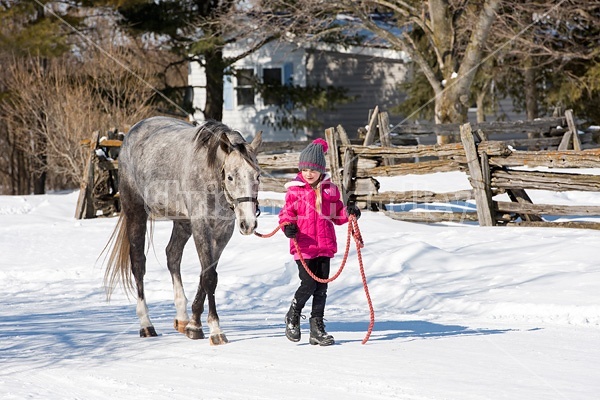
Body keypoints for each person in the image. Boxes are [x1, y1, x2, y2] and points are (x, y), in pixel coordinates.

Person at [278, 138, 361, 346]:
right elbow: (285, 214)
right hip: (303, 246)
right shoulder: (295, 191)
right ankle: (293, 315)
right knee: (308, 283)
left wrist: (350, 212)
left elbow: (337, 215)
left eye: (312, 169)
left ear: (320, 170)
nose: (308, 173)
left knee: (321, 288)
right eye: (305, 169)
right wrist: (288, 226)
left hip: (324, 245)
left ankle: (317, 327)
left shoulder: (329, 190)